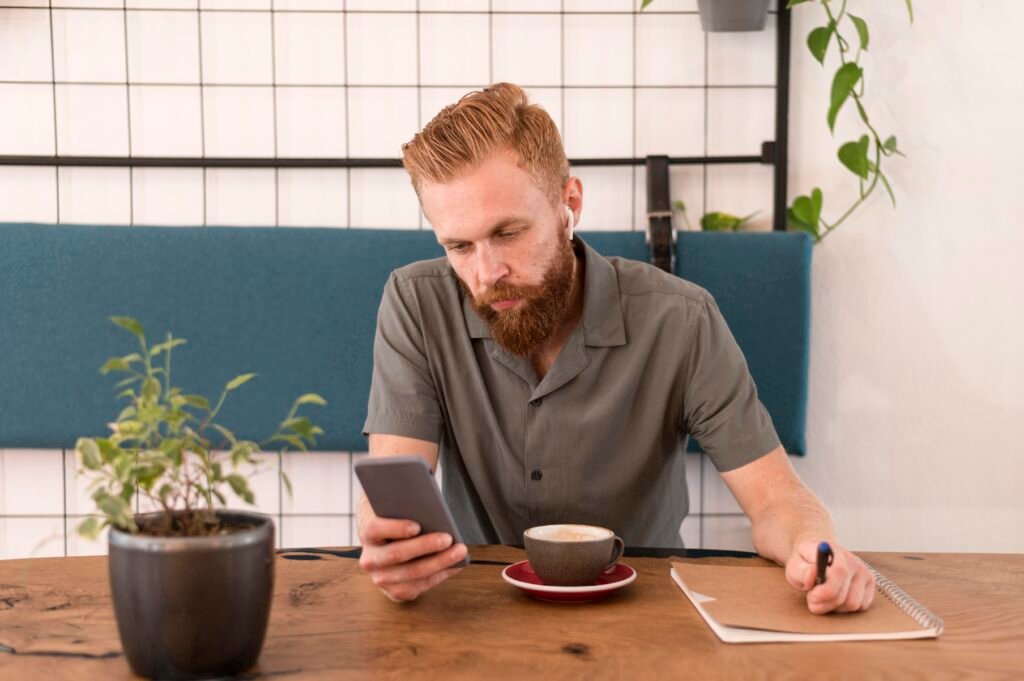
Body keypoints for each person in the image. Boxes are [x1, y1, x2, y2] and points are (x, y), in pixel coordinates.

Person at [357, 83, 875, 613]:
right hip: (478, 610)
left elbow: (776, 501)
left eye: (509, 232)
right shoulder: (415, 302)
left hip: (650, 612)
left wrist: (816, 550)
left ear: (569, 203)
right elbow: (396, 491)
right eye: (459, 247)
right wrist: (392, 544)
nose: (487, 273)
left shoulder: (682, 320)